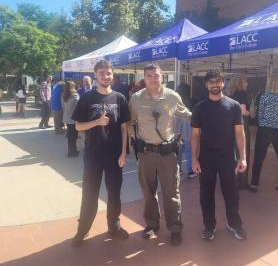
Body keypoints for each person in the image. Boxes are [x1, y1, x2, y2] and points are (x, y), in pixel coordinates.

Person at [128, 64, 191, 246]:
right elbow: (129, 121)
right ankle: (152, 224)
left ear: (162, 76)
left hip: (167, 154)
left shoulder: (172, 96)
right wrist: (134, 138)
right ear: (144, 78)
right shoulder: (136, 98)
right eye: (149, 76)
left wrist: (204, 118)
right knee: (148, 192)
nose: (153, 79)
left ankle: (175, 227)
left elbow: (186, 113)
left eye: (156, 76)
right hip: (146, 153)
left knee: (171, 192)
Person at [71, 60, 130, 247]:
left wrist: (123, 153)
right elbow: (78, 126)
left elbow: (124, 128)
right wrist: (97, 122)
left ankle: (114, 226)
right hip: (93, 155)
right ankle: (83, 230)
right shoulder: (87, 98)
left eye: (109, 73)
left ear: (113, 74)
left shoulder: (120, 98)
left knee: (114, 194)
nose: (106, 76)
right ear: (96, 75)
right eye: (102, 73)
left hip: (114, 156)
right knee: (89, 194)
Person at [191, 69, 247, 241]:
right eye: (211, 81)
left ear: (223, 83)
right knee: (205, 194)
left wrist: (243, 157)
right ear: (207, 84)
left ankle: (234, 224)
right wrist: (194, 159)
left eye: (218, 81)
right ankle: (209, 226)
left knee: (231, 193)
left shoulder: (234, 106)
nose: (215, 84)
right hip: (206, 158)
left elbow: (239, 133)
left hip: (227, 157)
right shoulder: (199, 108)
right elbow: (194, 135)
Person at [250, 74, 278, 194]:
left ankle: (254, 184)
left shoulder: (265, 96)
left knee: (259, 157)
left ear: (270, 83)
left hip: (265, 129)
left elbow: (260, 113)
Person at [226, 76, 251, 189]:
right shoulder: (242, 95)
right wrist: (251, 113)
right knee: (243, 152)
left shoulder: (228, 95)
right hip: (241, 125)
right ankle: (241, 181)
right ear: (241, 82)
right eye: (245, 81)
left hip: (229, 126)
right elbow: (243, 111)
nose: (247, 83)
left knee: (231, 153)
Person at [175, 83, 196, 178]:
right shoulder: (190, 101)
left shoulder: (175, 101)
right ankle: (191, 171)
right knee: (189, 150)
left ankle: (178, 169)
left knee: (179, 150)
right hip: (188, 129)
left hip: (178, 130)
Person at [62, 81, 80, 157]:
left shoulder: (63, 95)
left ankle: (72, 151)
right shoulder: (75, 95)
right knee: (73, 136)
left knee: (70, 136)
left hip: (67, 118)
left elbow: (63, 107)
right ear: (73, 86)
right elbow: (78, 107)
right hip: (74, 119)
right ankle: (72, 152)